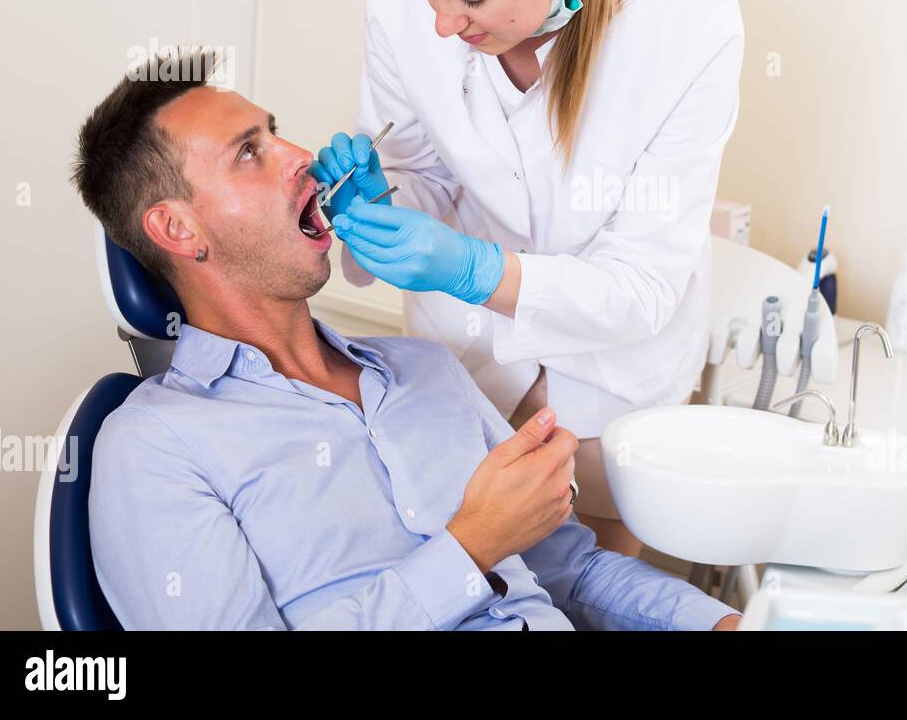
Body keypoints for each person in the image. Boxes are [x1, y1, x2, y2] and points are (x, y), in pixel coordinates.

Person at [71, 51, 740, 631]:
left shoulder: (427, 369)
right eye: (250, 152)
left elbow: (572, 572)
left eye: (274, 133)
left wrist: (723, 621)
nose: (303, 157)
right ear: (178, 230)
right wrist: (469, 547)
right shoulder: (154, 446)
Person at [314, 0, 743, 557]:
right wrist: (383, 202)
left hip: (615, 380)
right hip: (466, 361)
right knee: (479, 575)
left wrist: (480, 268)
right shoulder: (395, 0)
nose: (442, 25)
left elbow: (643, 285)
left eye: (471, 1)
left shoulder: (688, 21)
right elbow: (419, 172)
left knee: (605, 582)